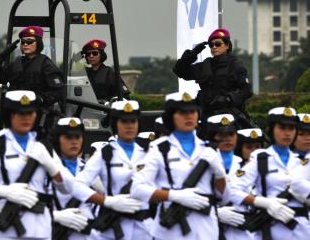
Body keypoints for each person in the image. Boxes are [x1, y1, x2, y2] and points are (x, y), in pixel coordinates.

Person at [0, 90, 72, 240]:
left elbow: (67, 188)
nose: (26, 118)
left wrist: (51, 166)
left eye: (30, 113)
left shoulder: (42, 145)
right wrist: (4, 191)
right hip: (6, 228)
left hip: (39, 227)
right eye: (20, 113)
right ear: (10, 115)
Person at [132, 91, 227, 240]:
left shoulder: (209, 150)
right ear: (171, 116)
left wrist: (220, 174)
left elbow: (224, 195)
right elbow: (137, 189)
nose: (189, 116)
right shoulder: (160, 149)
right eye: (182, 112)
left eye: (192, 111)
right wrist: (174, 195)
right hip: (172, 230)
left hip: (206, 229)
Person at [74, 100, 154, 240]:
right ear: (115, 124)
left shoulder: (151, 151)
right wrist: (106, 201)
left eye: (133, 121)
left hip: (145, 227)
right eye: (124, 121)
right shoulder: (105, 153)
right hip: (113, 226)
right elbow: (77, 185)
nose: (129, 126)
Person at [228, 107, 310, 240]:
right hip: (271, 228)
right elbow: (231, 190)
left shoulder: (303, 161)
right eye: (282, 128)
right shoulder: (261, 159)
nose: (287, 133)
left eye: (291, 128)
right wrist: (263, 202)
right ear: (271, 129)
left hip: (304, 229)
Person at [0, 26, 64, 133]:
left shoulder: (46, 65)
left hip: (36, 116)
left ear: (39, 43)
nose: (25, 45)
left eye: (30, 42)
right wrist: (3, 54)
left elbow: (58, 91)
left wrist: (41, 99)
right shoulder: (16, 64)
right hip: (15, 115)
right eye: (23, 42)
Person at [173, 28, 253, 129]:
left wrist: (228, 99)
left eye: (218, 44)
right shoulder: (206, 65)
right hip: (207, 115)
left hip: (229, 116)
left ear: (227, 46)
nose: (214, 47)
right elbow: (179, 71)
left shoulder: (236, 66)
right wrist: (193, 53)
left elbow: (246, 90)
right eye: (211, 45)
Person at [49, 117, 94, 240]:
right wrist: (55, 216)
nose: (74, 142)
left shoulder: (91, 169)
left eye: (78, 137)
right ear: (58, 140)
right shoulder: (47, 169)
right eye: (68, 137)